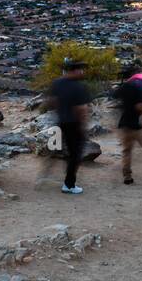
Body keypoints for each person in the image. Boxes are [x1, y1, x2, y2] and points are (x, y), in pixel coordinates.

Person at [48, 58, 92, 194]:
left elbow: (52, 101)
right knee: (75, 154)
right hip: (74, 124)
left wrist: (60, 113)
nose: (82, 72)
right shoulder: (78, 87)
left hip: (60, 122)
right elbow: (81, 109)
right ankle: (69, 185)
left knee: (58, 149)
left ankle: (47, 175)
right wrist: (83, 125)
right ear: (76, 70)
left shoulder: (57, 83)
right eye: (80, 69)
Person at [113, 67, 142, 185]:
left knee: (126, 151)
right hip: (136, 125)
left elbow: (114, 97)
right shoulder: (138, 88)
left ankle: (127, 176)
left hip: (124, 124)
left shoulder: (122, 88)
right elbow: (141, 106)